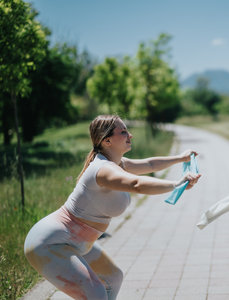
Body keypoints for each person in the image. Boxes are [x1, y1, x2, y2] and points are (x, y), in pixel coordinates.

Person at [24, 115, 201, 300]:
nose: (130, 135)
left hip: (77, 241)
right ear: (107, 140)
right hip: (49, 243)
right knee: (95, 293)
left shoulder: (117, 164)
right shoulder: (102, 169)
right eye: (123, 131)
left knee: (113, 278)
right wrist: (176, 184)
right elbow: (136, 184)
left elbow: (149, 164)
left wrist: (181, 158)